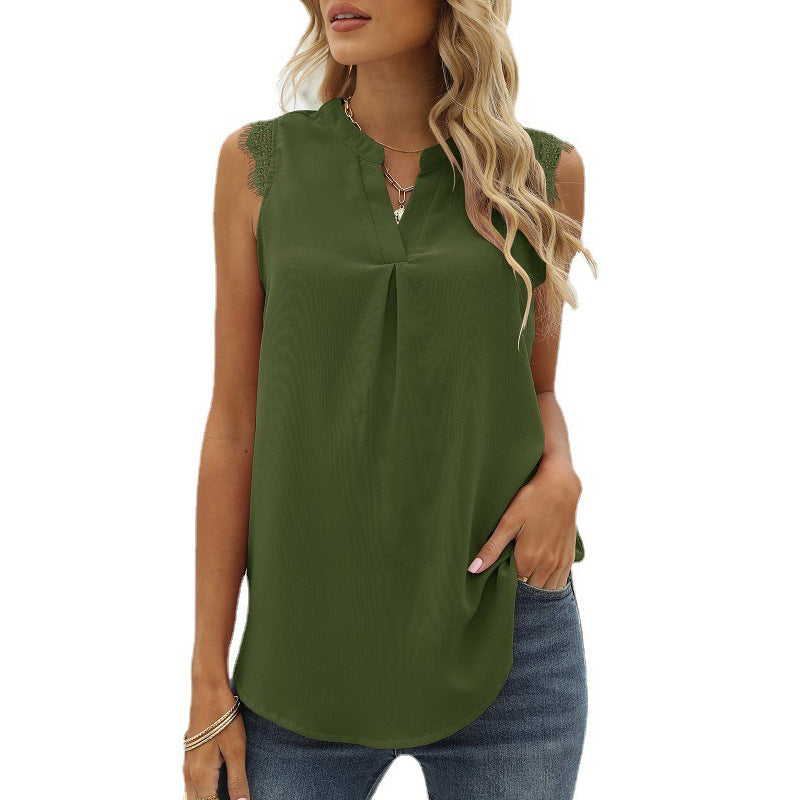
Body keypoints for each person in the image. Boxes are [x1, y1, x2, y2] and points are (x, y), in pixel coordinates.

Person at [183, 1, 596, 798]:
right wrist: (207, 677)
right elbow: (234, 426)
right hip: (302, 656)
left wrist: (562, 475)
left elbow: (535, 386)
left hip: (508, 640)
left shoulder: (542, 175)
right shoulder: (259, 166)